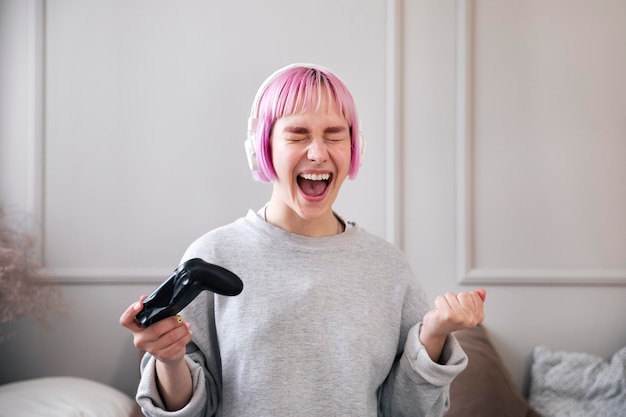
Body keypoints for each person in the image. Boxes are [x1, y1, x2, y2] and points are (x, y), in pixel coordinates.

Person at [120, 63, 486, 417]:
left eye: (334, 135)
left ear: (354, 146)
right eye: (297, 134)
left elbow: (408, 411)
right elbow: (189, 412)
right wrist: (169, 360)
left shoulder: (387, 266)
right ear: (263, 146)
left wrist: (433, 335)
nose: (317, 152)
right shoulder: (214, 255)